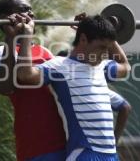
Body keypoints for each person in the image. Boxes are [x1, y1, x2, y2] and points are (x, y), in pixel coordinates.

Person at [14, 13, 131, 160]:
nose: (104, 54)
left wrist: (108, 33)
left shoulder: (103, 67)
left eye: (107, 49)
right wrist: (27, 35)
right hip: (84, 154)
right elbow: (25, 75)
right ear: (83, 39)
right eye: (101, 47)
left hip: (111, 156)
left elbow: (126, 67)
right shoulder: (60, 67)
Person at [0, 0, 66, 161]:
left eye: (31, 9)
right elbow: (5, 88)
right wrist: (12, 37)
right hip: (34, 143)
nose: (31, 14)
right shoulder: (1, 53)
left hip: (63, 140)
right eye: (24, 10)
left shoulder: (46, 52)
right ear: (6, 18)